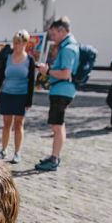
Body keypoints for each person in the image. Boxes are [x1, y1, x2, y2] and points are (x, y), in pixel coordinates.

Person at [35, 17, 80, 171]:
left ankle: (54, 158)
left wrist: (47, 71)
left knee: (57, 125)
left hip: (62, 90)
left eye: (54, 34)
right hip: (62, 90)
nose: (52, 38)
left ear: (62, 30)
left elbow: (65, 73)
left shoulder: (68, 49)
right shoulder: (69, 46)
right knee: (58, 125)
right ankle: (55, 155)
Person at [0, 30, 35, 164]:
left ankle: (17, 152)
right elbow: (0, 78)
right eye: (14, 43)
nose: (16, 46)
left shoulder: (30, 60)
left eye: (19, 43)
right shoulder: (7, 58)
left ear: (25, 44)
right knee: (6, 123)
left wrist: (29, 101)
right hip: (7, 94)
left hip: (21, 95)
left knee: (19, 124)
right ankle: (3, 150)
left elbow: (31, 81)